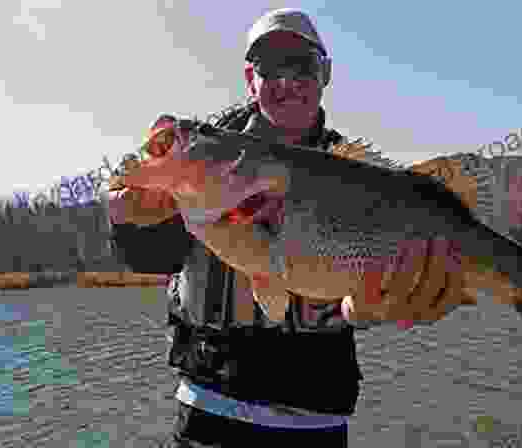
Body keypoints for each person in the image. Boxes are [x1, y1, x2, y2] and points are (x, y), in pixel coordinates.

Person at [108, 9, 371, 447]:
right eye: (272, 68)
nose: (287, 81)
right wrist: (125, 217)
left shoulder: (357, 174)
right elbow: (151, 257)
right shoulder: (197, 152)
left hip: (317, 423)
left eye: (302, 65)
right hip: (210, 413)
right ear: (251, 79)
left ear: (324, 74)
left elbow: (381, 291)